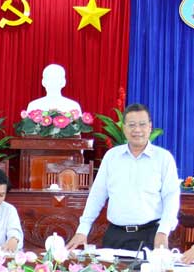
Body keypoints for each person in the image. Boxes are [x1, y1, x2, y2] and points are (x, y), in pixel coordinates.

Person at [67, 104, 180, 251]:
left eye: (142, 124)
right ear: (124, 128)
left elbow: (171, 197)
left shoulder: (163, 158)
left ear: (150, 127)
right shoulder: (112, 157)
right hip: (115, 235)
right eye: (131, 125)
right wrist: (82, 230)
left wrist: (163, 231)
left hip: (151, 235)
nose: (137, 130)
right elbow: (97, 195)